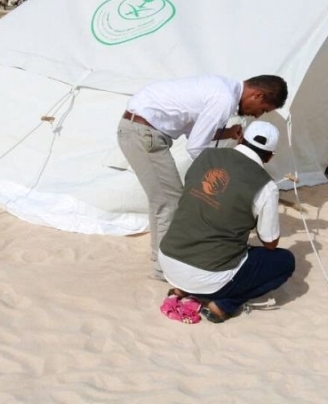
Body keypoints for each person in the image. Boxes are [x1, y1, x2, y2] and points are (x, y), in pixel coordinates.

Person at [118, 74, 288, 281]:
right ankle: (164, 270)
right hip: (144, 133)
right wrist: (223, 173)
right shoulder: (224, 99)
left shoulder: (222, 88)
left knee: (163, 201)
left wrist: (227, 133)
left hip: (141, 130)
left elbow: (195, 133)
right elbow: (196, 147)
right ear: (258, 95)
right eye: (262, 109)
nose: (257, 116)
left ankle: (161, 261)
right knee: (170, 203)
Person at [158, 121, 295, 323]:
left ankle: (183, 288)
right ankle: (222, 305)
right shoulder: (266, 185)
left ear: (240, 139)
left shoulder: (206, 156)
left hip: (169, 259)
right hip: (209, 274)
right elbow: (270, 242)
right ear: (270, 156)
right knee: (284, 261)